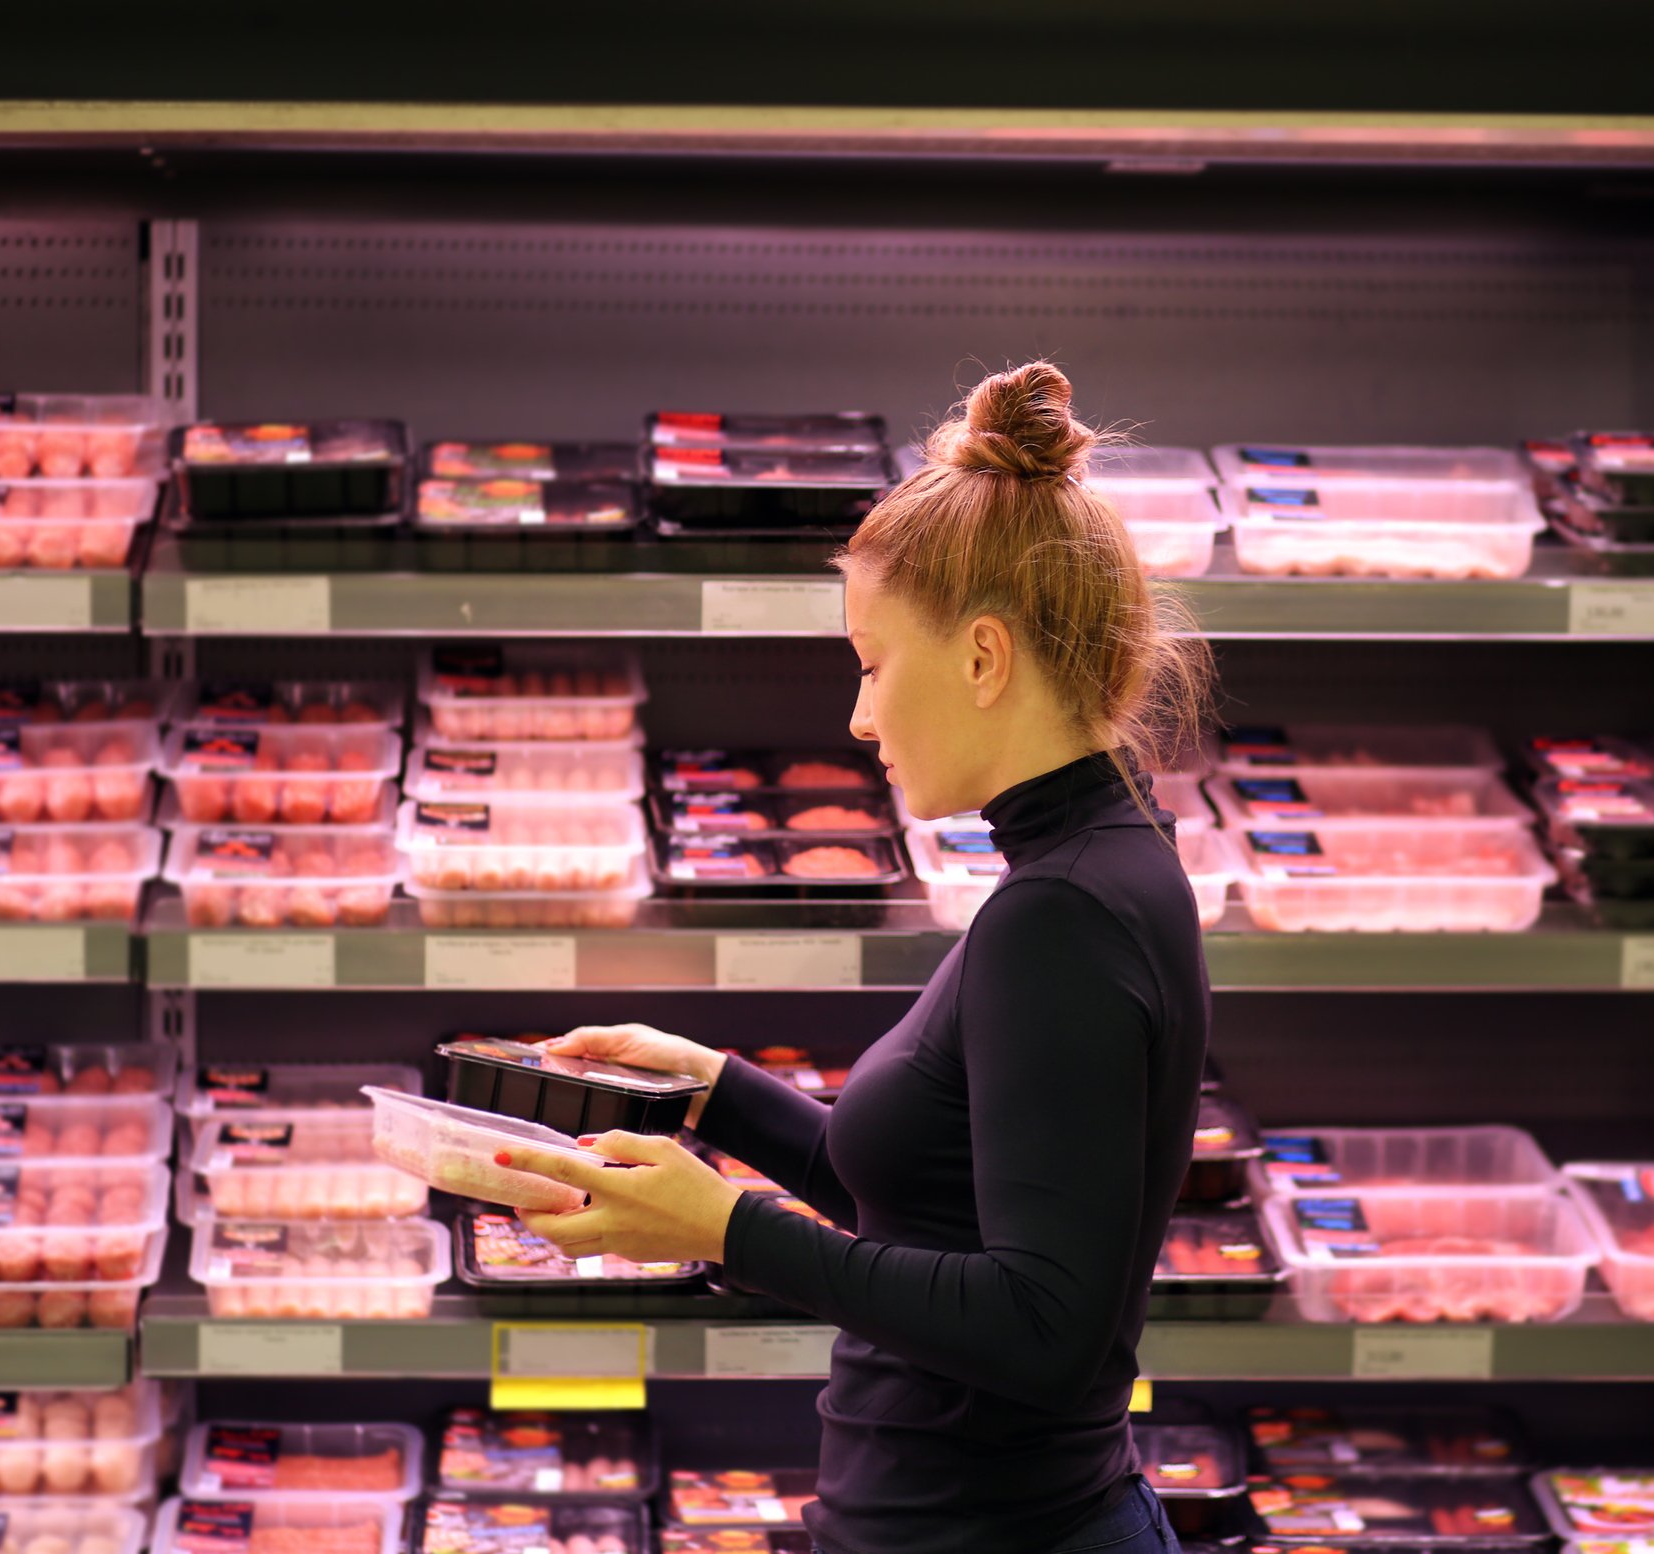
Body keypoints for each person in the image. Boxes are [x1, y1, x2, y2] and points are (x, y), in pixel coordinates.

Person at [495, 360, 1214, 1554]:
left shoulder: (1065, 915)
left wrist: (724, 1230)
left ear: (983, 659)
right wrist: (712, 1088)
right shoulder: (1097, 864)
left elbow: (1046, 1323)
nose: (858, 716)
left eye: (873, 663)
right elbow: (923, 1210)